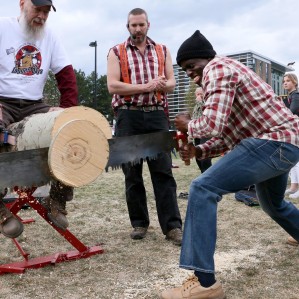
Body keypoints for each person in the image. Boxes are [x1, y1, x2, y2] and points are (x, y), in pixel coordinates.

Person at [160, 30, 299, 299]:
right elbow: (228, 137)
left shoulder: (218, 68)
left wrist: (188, 126)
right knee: (274, 204)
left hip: (273, 143)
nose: (189, 74)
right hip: (284, 144)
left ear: (205, 58)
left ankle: (205, 283)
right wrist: (199, 149)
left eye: (191, 66)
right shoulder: (222, 73)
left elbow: (211, 125)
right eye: (184, 69)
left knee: (202, 188)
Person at [0, 0, 78, 239]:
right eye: (38, 9)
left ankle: (57, 198)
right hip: (3, 101)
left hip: (35, 105)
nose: (42, 16)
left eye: (46, 12)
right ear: (22, 4)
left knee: (73, 129)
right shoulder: (2, 27)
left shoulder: (50, 36)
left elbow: (66, 76)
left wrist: (67, 111)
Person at [107, 8, 182, 246]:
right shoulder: (116, 52)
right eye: (133, 25)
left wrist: (161, 85)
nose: (137, 29)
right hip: (128, 117)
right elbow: (113, 86)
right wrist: (147, 86)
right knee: (132, 174)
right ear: (127, 27)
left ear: (148, 25)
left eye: (141, 25)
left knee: (163, 172)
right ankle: (139, 223)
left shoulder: (162, 50)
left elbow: (171, 83)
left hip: (157, 115)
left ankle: (172, 227)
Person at [282, 73, 299, 199]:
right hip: (293, 130)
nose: (285, 83)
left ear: (295, 82)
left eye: (288, 80)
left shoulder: (296, 96)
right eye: (284, 81)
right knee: (293, 159)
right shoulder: (289, 96)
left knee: (297, 160)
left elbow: (291, 113)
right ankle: (294, 186)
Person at [192, 87, 212, 173]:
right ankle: (203, 173)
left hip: (205, 132)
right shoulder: (196, 106)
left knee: (205, 156)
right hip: (197, 133)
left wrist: (200, 102)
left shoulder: (206, 103)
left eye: (201, 94)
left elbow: (205, 110)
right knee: (197, 155)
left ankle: (207, 173)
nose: (199, 96)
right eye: (198, 94)